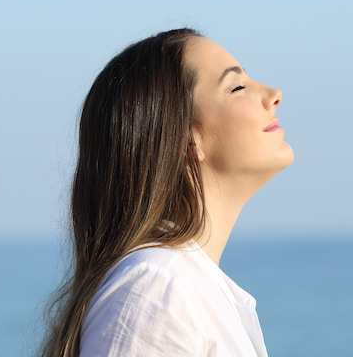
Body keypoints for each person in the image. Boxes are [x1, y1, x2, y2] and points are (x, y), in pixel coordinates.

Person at [40, 28, 293, 357]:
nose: (274, 94)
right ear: (186, 140)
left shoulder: (180, 287)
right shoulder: (156, 288)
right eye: (237, 86)